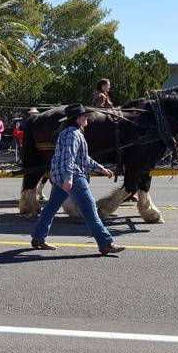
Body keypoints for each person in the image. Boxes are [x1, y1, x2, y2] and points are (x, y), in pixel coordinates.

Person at [30, 104, 124, 255]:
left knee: (51, 208)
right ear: (77, 119)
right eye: (84, 115)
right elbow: (69, 157)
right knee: (90, 209)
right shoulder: (72, 134)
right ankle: (106, 243)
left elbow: (84, 158)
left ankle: (38, 237)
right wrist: (68, 178)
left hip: (60, 177)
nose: (87, 118)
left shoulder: (71, 132)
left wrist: (101, 169)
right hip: (73, 176)